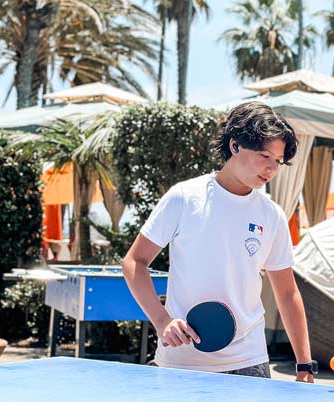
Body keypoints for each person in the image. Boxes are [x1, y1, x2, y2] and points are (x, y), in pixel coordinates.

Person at [122, 102, 315, 382]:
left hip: (250, 362)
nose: (273, 168)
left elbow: (287, 293)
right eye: (264, 156)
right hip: (182, 362)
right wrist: (162, 321)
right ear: (235, 146)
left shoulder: (272, 215)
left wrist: (304, 364)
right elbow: (134, 262)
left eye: (278, 160)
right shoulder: (184, 198)